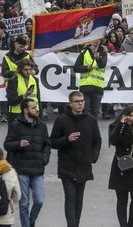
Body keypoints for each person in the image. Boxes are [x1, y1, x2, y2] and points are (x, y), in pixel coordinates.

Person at [50, 91, 102, 227]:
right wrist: (67, 139)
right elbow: (53, 142)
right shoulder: (61, 120)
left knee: (79, 199)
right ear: (70, 103)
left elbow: (97, 141)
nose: (80, 104)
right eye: (77, 101)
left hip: (84, 165)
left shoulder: (91, 120)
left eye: (82, 101)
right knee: (70, 197)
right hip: (67, 166)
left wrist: (93, 156)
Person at [4, 98, 51, 227]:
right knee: (24, 203)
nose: (37, 110)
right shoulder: (15, 125)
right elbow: (7, 144)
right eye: (33, 107)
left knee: (39, 201)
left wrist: (44, 159)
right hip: (21, 170)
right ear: (25, 110)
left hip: (37, 168)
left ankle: (31, 221)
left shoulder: (42, 125)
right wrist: (19, 144)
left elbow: (47, 144)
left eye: (36, 107)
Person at [108, 104, 133, 227]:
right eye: (129, 115)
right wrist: (122, 123)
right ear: (124, 114)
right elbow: (114, 141)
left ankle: (131, 223)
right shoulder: (114, 126)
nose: (131, 118)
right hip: (121, 166)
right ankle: (123, 225)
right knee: (122, 200)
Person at [72, 39, 108, 117]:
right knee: (84, 112)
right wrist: (86, 68)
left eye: (98, 39)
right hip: (85, 87)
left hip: (97, 87)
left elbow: (102, 65)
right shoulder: (84, 52)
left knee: (95, 113)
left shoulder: (103, 52)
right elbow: (75, 68)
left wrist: (98, 58)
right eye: (94, 39)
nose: (96, 41)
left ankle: (92, 129)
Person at [6, 58, 41, 126]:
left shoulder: (35, 79)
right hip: (17, 114)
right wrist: (24, 96)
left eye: (30, 69)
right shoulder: (13, 80)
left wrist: (40, 115)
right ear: (20, 69)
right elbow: (11, 101)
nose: (28, 72)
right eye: (25, 70)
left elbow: (38, 98)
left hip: (33, 113)